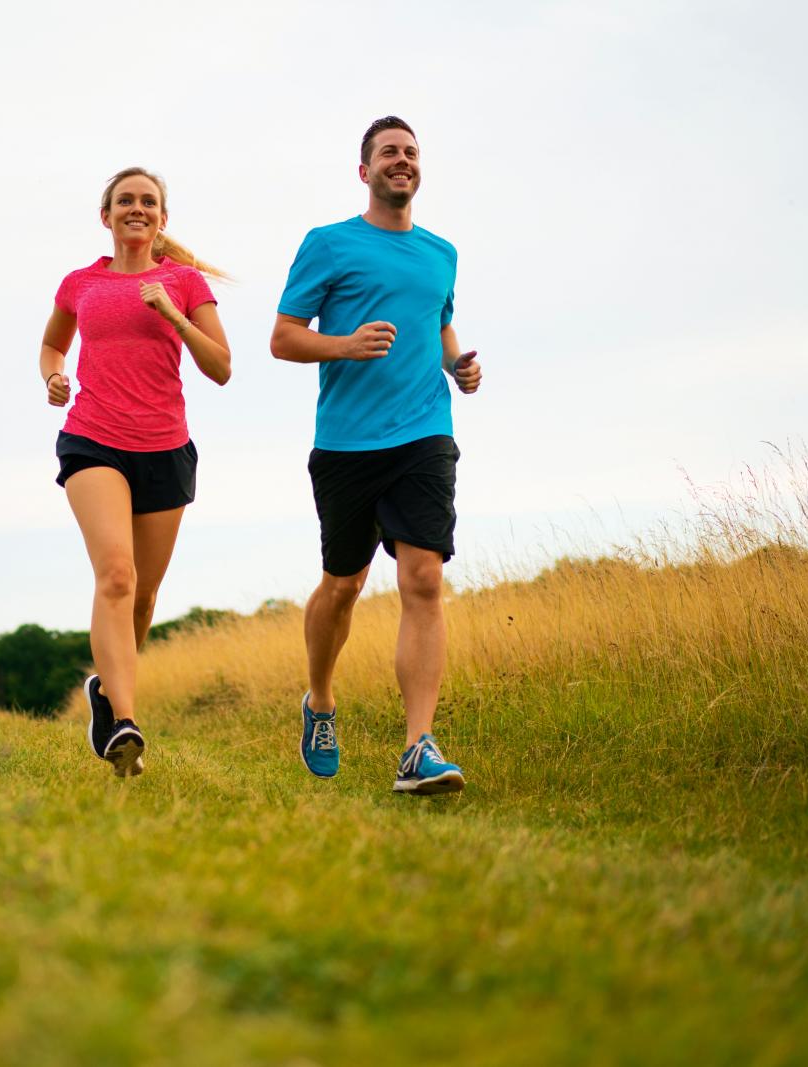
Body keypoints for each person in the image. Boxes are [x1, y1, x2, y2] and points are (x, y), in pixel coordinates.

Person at [271, 116, 482, 795]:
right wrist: (346, 344)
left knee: (423, 579)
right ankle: (321, 701)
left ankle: (418, 747)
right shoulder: (329, 244)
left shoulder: (440, 252)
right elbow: (283, 338)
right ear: (364, 171)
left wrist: (457, 365)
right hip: (346, 443)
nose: (402, 160)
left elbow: (439, 320)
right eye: (388, 152)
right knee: (344, 585)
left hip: (424, 433)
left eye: (411, 152)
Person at [40, 167, 232, 777]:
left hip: (164, 448)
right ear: (107, 216)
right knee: (116, 577)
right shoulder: (80, 283)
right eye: (126, 200)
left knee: (144, 597)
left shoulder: (183, 281)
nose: (137, 209)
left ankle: (104, 694)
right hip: (93, 440)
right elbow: (52, 345)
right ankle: (125, 721)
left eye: (148, 201)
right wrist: (53, 377)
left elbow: (222, 367)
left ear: (162, 219)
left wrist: (175, 316)